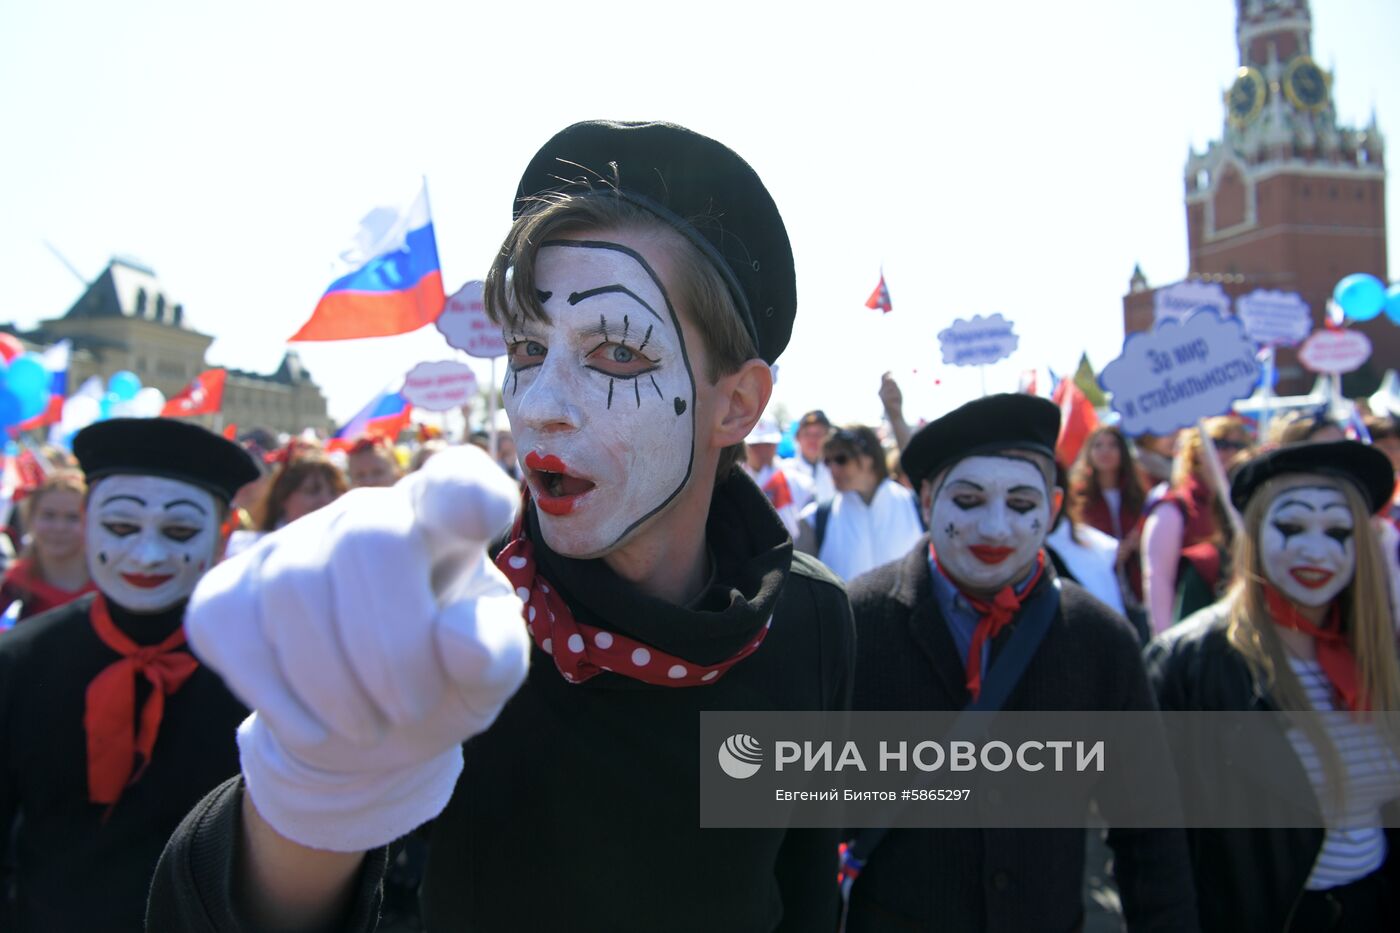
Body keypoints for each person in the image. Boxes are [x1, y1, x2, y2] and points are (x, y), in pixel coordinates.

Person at [149, 120, 855, 932]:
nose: (541, 405)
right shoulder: (445, 605)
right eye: (526, 348)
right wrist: (308, 792)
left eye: (617, 353)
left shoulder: (808, 621)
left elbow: (803, 891)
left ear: (735, 404)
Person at [843, 393, 1198, 932]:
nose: (995, 528)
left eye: (1022, 505)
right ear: (926, 498)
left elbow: (1148, 829)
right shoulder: (852, 623)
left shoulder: (1100, 640)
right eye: (967, 499)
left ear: (1053, 509)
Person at [0, 418, 259, 931]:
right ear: (88, 519)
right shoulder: (20, 660)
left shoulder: (260, 667)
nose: (147, 554)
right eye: (121, 527)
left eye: (180, 531)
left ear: (223, 533)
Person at [1145, 440, 1400, 932]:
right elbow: (1151, 837)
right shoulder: (1189, 663)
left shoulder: (1378, 655)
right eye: (1291, 526)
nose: (1315, 549)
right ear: (1255, 534)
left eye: (1338, 531)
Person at [1140, 416, 1249, 634]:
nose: (1229, 452)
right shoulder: (1173, 509)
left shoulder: (1247, 502)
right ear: (1197, 452)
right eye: (1219, 444)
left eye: (1238, 445)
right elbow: (1158, 582)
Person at [796, 424, 923, 582]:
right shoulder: (814, 519)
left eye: (841, 459)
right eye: (827, 461)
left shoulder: (916, 505)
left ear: (869, 458)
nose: (832, 469)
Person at [0, 470, 96, 623]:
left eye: (73, 517)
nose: (59, 527)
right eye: (49, 515)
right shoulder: (16, 582)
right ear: (31, 518)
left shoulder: (111, 583)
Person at [742, 416, 813, 540]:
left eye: (768, 445)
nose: (762, 451)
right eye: (755, 445)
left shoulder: (799, 481)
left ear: (776, 445)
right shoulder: (730, 479)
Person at [256, 451, 347, 531]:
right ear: (283, 497)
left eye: (334, 492)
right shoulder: (262, 547)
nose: (326, 500)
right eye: (312, 491)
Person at [785, 408, 836, 503]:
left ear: (828, 438)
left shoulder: (837, 470)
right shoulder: (784, 471)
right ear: (797, 438)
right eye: (807, 434)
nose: (812, 440)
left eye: (818, 434)